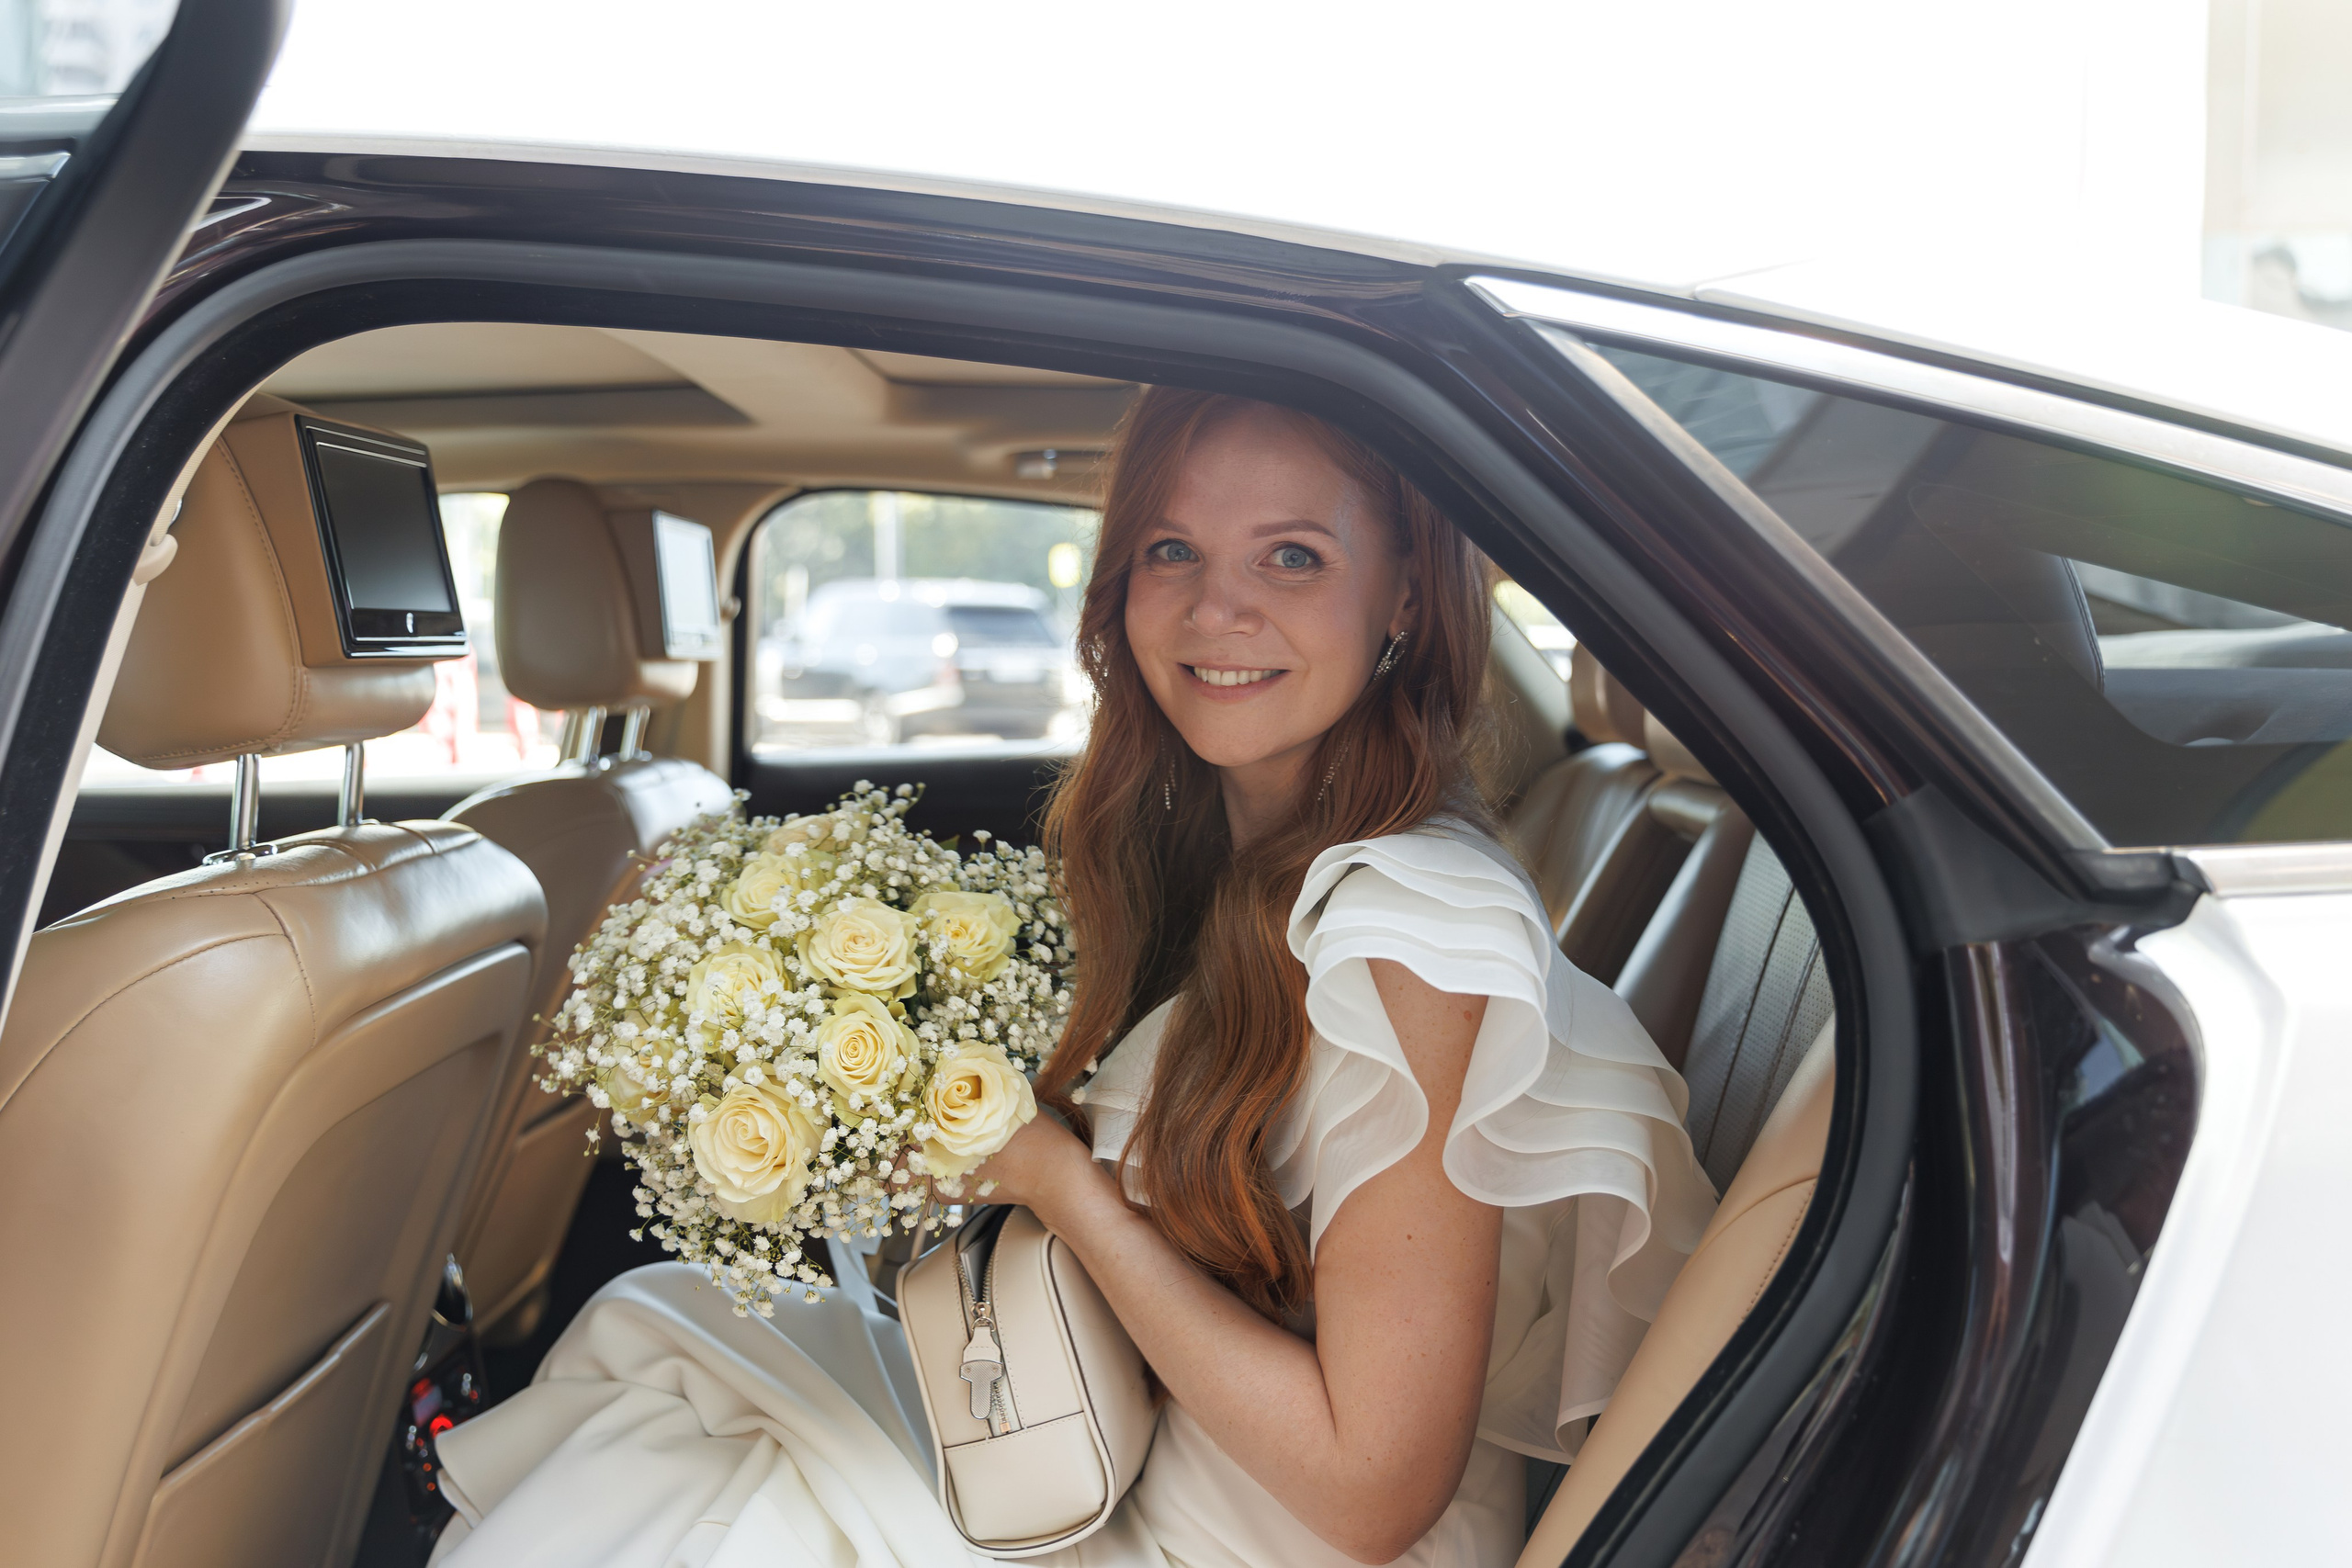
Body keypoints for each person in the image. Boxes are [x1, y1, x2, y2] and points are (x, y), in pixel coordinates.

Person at [431, 389, 1714, 1568]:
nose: (1220, 609)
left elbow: (1372, 1488)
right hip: (1130, 1455)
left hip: (1249, 1541)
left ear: (1404, 601)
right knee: (673, 1332)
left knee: (663, 1476)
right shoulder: (1233, 849)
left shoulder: (1409, 930)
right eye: (1172, 551)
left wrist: (1054, 1174)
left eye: (1292, 556)